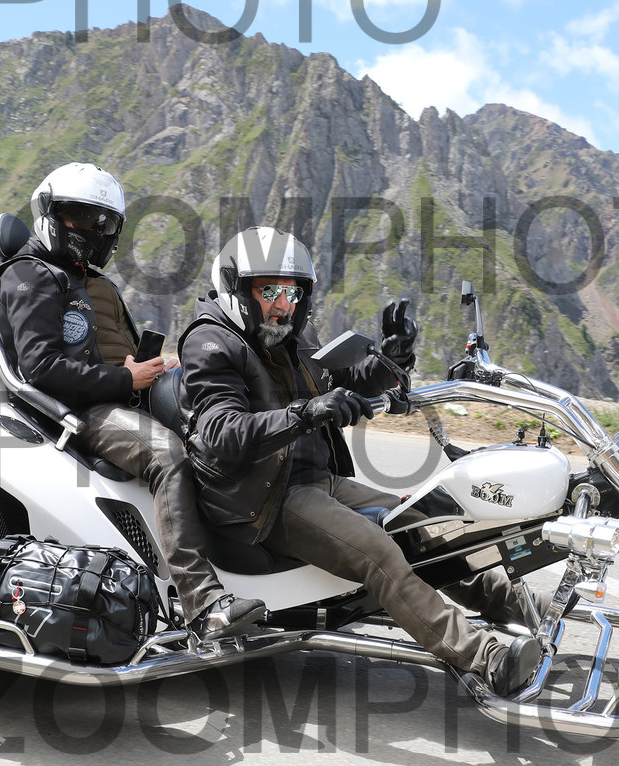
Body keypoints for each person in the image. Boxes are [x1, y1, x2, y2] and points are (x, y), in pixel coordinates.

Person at [177, 226, 544, 696]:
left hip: (315, 478)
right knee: (380, 552)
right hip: (262, 498)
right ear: (237, 289)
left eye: (292, 292)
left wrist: (393, 357)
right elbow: (220, 432)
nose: (282, 304)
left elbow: (342, 380)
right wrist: (305, 413)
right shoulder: (210, 343)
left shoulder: (290, 336)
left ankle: (518, 607)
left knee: (423, 525)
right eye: (269, 292)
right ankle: (486, 658)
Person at [0, 163, 264, 638]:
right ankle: (203, 603)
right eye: (81, 217)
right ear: (50, 213)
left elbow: (117, 350)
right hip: (81, 411)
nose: (94, 231)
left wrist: (158, 367)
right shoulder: (29, 274)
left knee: (228, 429)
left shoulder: (93, 280)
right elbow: (41, 368)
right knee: (168, 455)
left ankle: (259, 566)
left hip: (123, 396)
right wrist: (127, 380)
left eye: (105, 222)